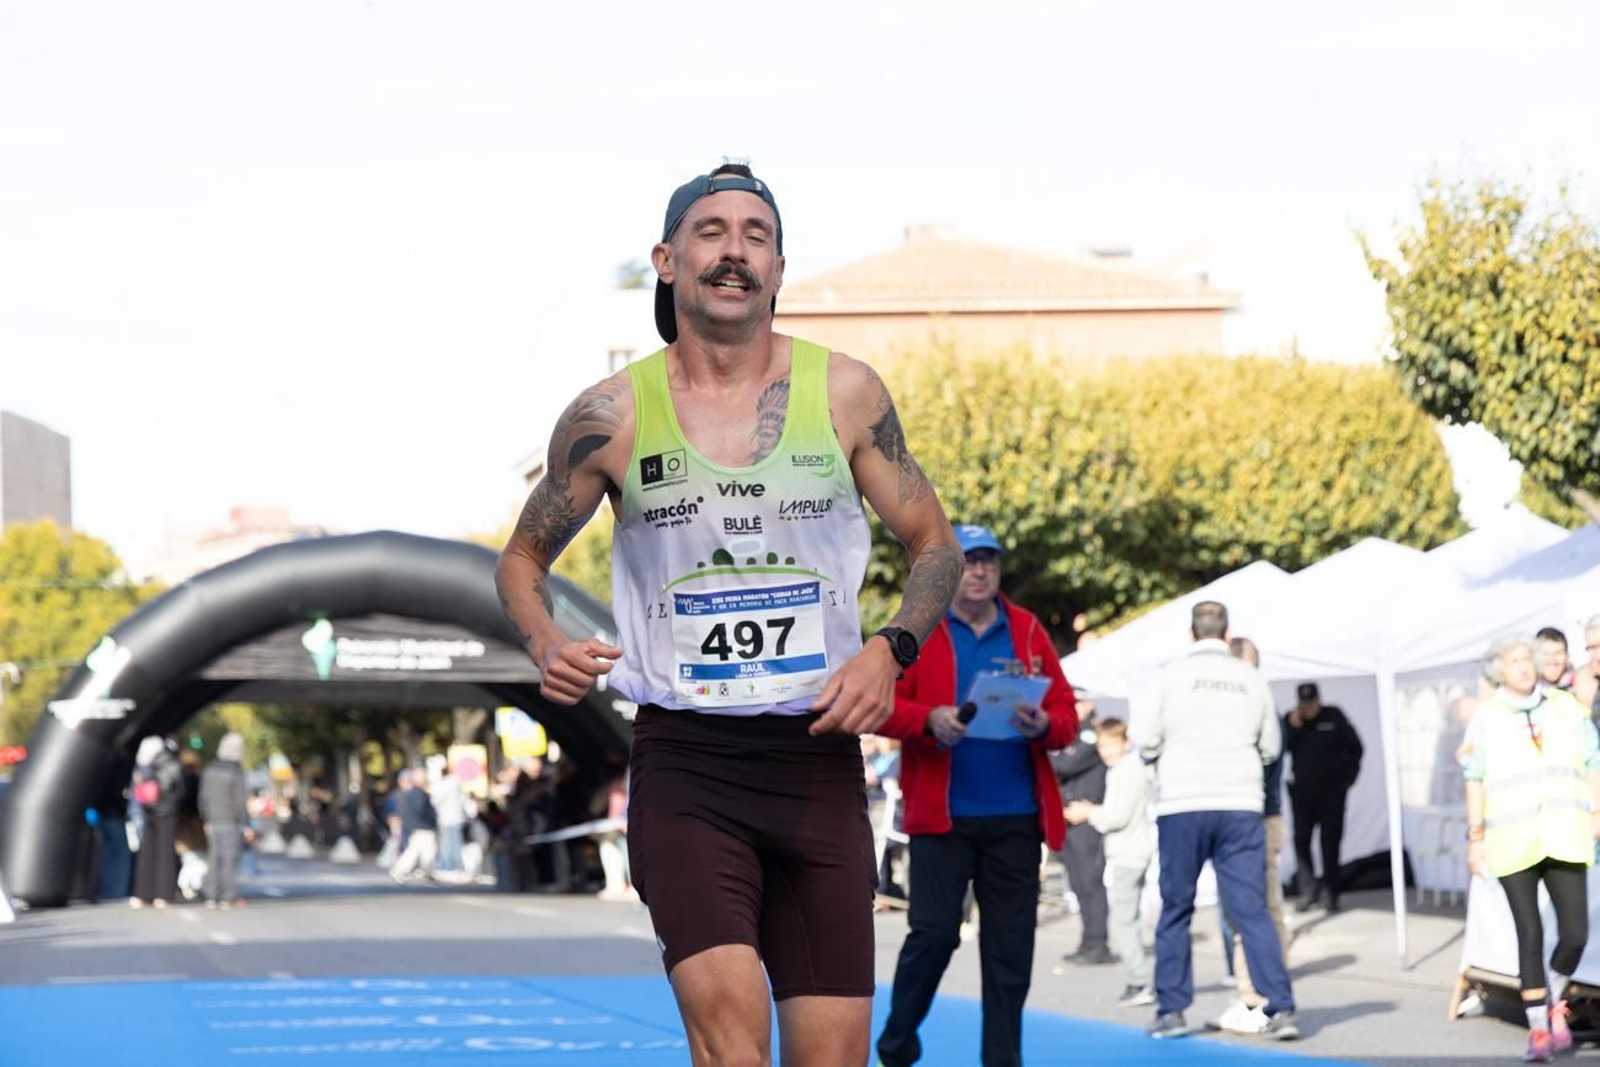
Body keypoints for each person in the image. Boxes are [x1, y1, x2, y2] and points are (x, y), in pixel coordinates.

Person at [494, 160, 961, 1067]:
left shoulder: (848, 393)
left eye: (757, 235)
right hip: (687, 763)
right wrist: (544, 637)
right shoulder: (611, 414)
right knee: (733, 1044)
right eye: (712, 233)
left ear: (780, 269)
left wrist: (889, 650)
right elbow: (521, 558)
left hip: (819, 761)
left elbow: (935, 546)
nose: (735, 251)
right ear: (667, 260)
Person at [873, 523, 1077, 1067]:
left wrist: (1043, 724)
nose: (981, 570)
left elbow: (1067, 719)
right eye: (970, 561)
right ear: (951, 571)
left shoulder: (1029, 630)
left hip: (1017, 816)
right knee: (934, 937)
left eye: (989, 561)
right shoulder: (918, 630)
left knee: (1011, 950)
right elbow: (880, 706)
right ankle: (897, 1039)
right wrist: (928, 719)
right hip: (942, 819)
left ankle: (1003, 1060)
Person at [1139, 601, 1298, 1040]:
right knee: (1252, 911)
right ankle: (1281, 1008)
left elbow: (1146, 740)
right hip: (1240, 803)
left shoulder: (1167, 676)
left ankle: (1171, 1011)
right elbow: (1270, 746)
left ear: (1191, 635)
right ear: (1228, 636)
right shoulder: (1251, 679)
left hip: (1182, 803)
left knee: (1176, 909)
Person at [1461, 634, 1600, 1063]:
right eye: (1514, 660)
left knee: (1575, 933)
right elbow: (1474, 776)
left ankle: (1553, 997)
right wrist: (1476, 837)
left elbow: (1593, 761)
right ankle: (1539, 1028)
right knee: (1530, 934)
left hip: (1564, 833)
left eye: (1528, 659)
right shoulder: (1485, 718)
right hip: (1512, 840)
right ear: (1499, 670)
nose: (1524, 666)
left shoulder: (1566, 709)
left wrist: (1596, 815)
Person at [1210, 635, 1293, 1034]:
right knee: (1262, 908)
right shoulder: (1262, 702)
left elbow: (1266, 758)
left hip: (1253, 816)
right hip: (1261, 814)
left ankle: (1257, 997)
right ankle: (1267, 992)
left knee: (1250, 910)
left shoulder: (1253, 703)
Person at [1065, 718, 1154, 1008]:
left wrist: (1089, 812)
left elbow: (1118, 816)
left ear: (1125, 744)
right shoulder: (1123, 770)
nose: (1106, 751)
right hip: (1128, 850)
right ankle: (1139, 978)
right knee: (1128, 919)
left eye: (1111, 745)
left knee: (1123, 921)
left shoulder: (1128, 771)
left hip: (1130, 852)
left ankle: (1139, 981)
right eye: (1102, 746)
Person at [1283, 681, 1363, 913]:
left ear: (1319, 700)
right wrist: (1293, 727)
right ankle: (1307, 890)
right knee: (1301, 842)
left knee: (1330, 843)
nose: (1307, 709)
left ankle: (1330, 892)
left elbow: (1356, 748)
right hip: (1303, 794)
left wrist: (1347, 781)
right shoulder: (1292, 720)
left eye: (1310, 704)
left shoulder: (1334, 716)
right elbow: (1280, 749)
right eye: (1303, 705)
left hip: (1332, 793)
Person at [1052, 707, 1113, 966]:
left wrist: (1041, 757)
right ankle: (1087, 941)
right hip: (1069, 818)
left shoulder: (1088, 734)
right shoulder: (1072, 734)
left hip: (1086, 819)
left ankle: (1098, 943)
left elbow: (1067, 764)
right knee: (1078, 884)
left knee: (1090, 883)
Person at [198, 731, 253, 909]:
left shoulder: (209, 769)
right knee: (229, 859)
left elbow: (203, 797)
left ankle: (210, 895)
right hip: (230, 820)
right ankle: (226, 897)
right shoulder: (236, 772)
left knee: (214, 858)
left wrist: (205, 818)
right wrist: (246, 823)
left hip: (213, 820)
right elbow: (240, 800)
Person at [130, 736, 184, 909]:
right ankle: (163, 894)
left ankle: (143, 893)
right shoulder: (171, 763)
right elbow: (179, 788)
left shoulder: (147, 765)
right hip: (167, 811)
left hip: (149, 809)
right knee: (165, 853)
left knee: (147, 851)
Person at [388, 769, 438, 884]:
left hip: (414, 826)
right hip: (421, 826)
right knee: (416, 851)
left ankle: (426, 871)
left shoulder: (404, 793)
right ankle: (399, 870)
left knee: (424, 851)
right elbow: (421, 810)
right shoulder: (417, 793)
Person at [431, 765, 467, 874]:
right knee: (456, 842)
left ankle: (447, 866)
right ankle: (458, 865)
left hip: (445, 818)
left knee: (446, 843)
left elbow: (435, 800)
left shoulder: (443, 785)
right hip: (457, 817)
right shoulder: (457, 785)